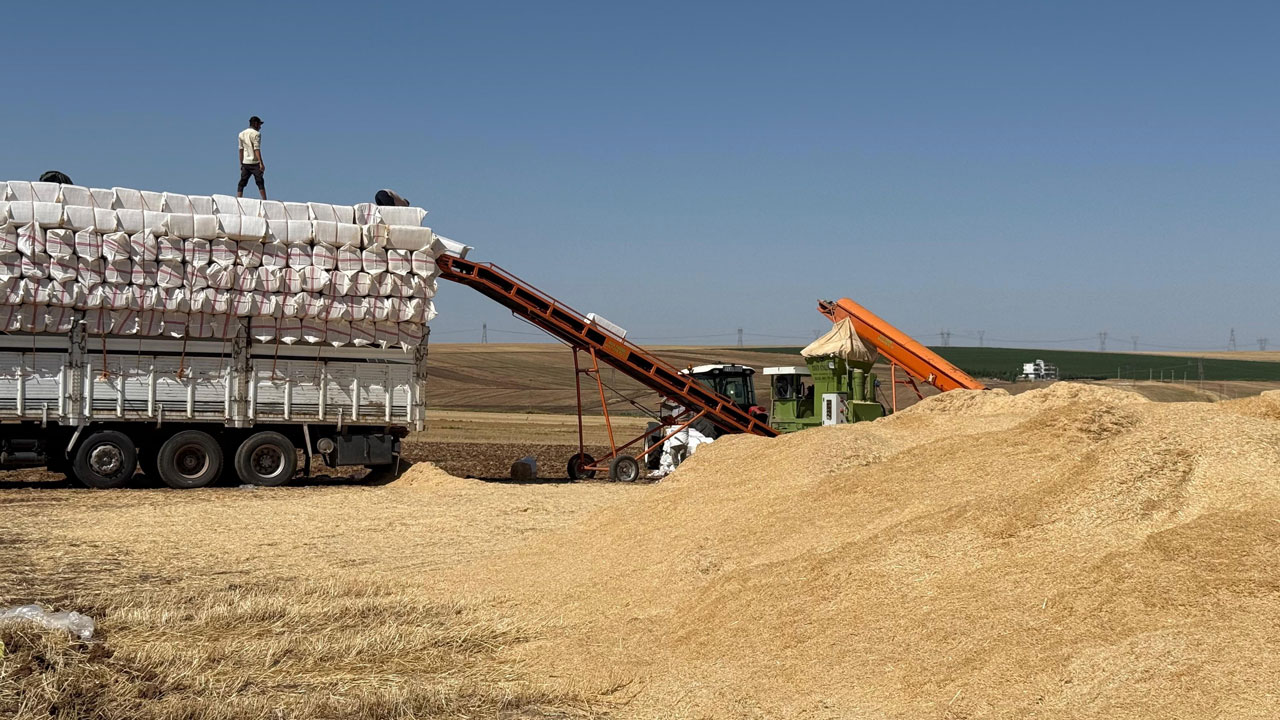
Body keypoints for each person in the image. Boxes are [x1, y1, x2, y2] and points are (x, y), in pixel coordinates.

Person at [236, 116, 266, 199]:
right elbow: (256, 149)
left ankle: (239, 199)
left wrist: (241, 163)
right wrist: (261, 163)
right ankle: (264, 200)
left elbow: (240, 150)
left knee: (242, 182)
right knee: (260, 181)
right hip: (255, 162)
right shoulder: (256, 134)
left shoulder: (241, 134)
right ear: (255, 124)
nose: (260, 127)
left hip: (245, 162)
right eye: (259, 124)